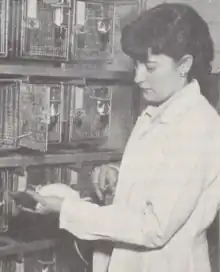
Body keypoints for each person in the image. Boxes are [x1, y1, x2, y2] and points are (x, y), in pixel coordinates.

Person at [27, 3, 220, 272]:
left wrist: (68, 209)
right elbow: (165, 177)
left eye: (150, 67)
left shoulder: (198, 126)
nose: (138, 77)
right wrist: (121, 176)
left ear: (184, 65)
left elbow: (153, 227)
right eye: (137, 64)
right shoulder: (157, 110)